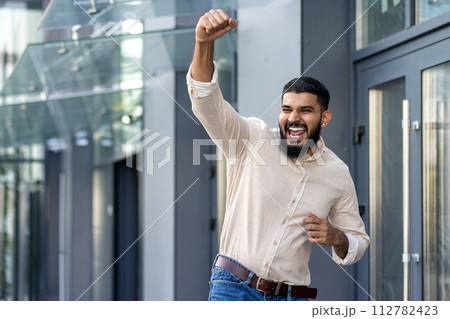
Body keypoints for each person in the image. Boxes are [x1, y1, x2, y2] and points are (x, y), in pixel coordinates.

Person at [187, 9, 370, 301]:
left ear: (324, 118)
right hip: (233, 289)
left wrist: (336, 237)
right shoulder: (252, 139)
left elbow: (358, 242)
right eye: (287, 109)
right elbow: (207, 101)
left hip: (293, 298)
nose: (293, 118)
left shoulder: (337, 172)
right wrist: (203, 44)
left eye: (305, 110)